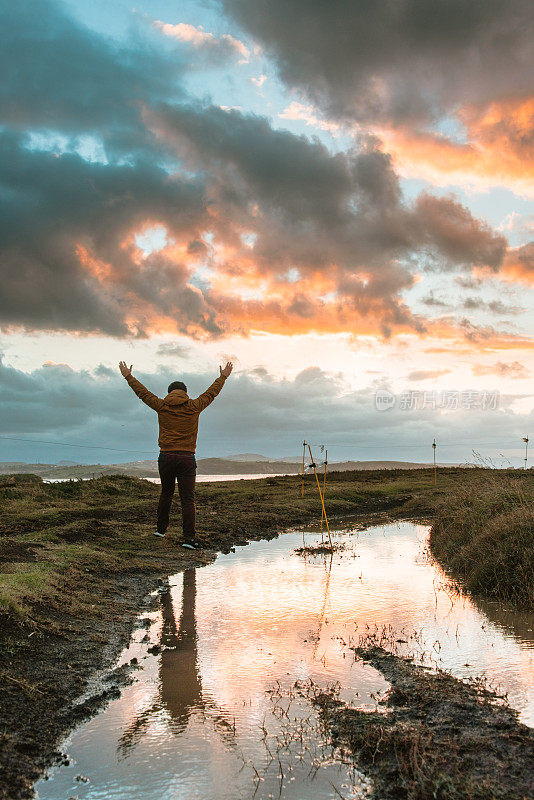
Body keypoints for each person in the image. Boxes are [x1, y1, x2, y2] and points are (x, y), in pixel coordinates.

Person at [119, 360, 233, 548]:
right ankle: (189, 539)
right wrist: (223, 377)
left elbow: (143, 394)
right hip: (187, 457)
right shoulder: (194, 406)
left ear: (169, 392)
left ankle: (160, 530)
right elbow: (211, 393)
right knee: (188, 499)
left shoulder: (162, 405)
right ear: (185, 392)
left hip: (166, 456)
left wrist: (128, 377)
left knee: (166, 493)